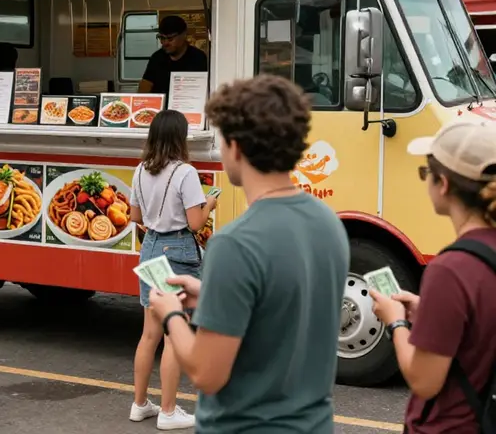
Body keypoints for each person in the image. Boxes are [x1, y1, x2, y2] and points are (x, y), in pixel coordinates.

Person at [148, 74, 350, 434]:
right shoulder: (329, 222)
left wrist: (171, 315)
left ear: (237, 147)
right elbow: (282, 308)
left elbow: (207, 373)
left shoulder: (233, 244)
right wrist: (211, 296)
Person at [371, 119, 496, 434]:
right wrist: (430, 308)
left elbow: (424, 380)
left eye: (425, 173)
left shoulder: (451, 269)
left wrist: (395, 321)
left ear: (444, 184)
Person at [130, 109, 217, 430]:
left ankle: (140, 404)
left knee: (148, 334)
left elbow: (135, 216)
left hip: (150, 247)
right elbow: (195, 223)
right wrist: (209, 205)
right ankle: (168, 411)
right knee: (172, 334)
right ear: (179, 138)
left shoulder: (140, 169)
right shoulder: (185, 173)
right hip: (177, 251)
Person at [138, 16, 207, 99]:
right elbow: (144, 88)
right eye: (162, 38)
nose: (165, 43)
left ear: (184, 34)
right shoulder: (156, 58)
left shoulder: (198, 58)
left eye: (170, 38)